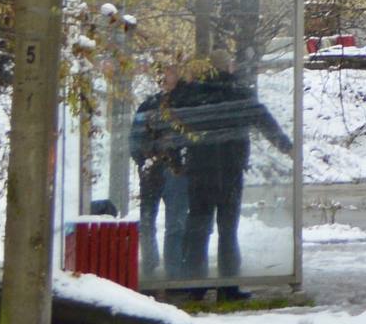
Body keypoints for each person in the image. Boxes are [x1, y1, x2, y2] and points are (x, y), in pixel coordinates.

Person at [170, 52, 294, 289]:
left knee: (198, 228)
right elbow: (263, 119)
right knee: (228, 231)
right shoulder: (238, 92)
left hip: (200, 170)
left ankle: (195, 286)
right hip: (230, 169)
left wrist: (177, 162)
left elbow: (173, 123)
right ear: (228, 67)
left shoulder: (193, 94)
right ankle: (229, 286)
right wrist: (286, 147)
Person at [126, 68, 191, 282]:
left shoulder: (181, 104)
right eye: (164, 74)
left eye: (171, 73)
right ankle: (151, 264)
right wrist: (143, 160)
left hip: (173, 169)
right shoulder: (150, 105)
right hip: (154, 170)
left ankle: (172, 269)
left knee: (175, 221)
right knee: (148, 220)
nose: (167, 78)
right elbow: (135, 138)